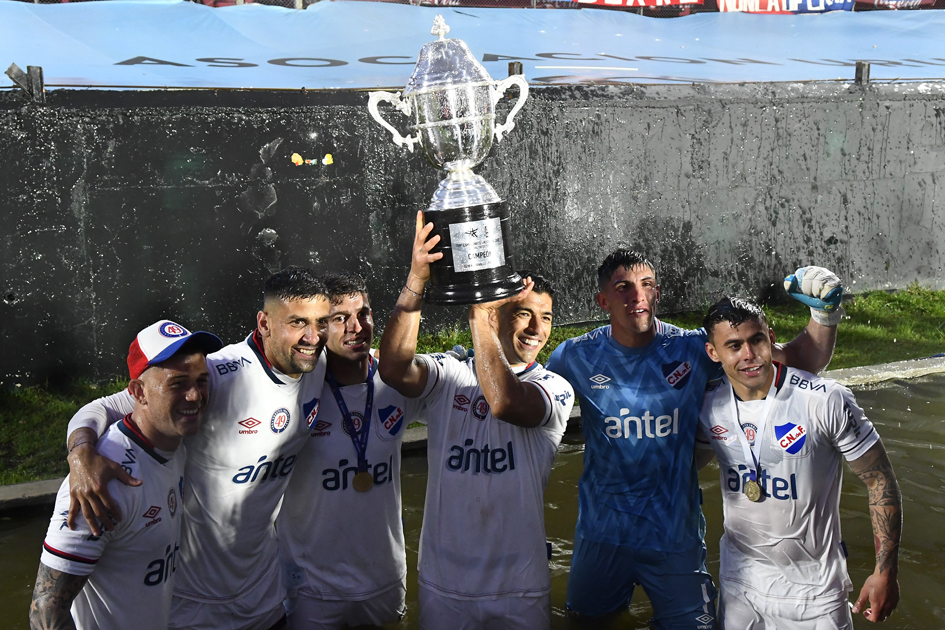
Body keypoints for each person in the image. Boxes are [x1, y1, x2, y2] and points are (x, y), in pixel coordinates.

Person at [546, 250, 843, 629]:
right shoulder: (574, 356)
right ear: (603, 300)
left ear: (657, 294)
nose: (637, 296)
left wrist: (825, 316)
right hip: (602, 535)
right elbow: (530, 402)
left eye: (646, 285)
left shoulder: (691, 349)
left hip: (675, 537)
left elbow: (798, 360)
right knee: (583, 624)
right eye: (623, 288)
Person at [63, 267, 329, 630]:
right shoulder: (213, 375)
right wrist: (80, 453)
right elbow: (104, 407)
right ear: (264, 323)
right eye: (298, 322)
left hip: (265, 594)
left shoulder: (318, 363)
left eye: (321, 322)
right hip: (192, 606)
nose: (312, 336)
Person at [378, 213, 575, 630]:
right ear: (501, 315)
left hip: (519, 587)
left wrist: (479, 317)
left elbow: (504, 401)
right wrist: (416, 281)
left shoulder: (555, 387)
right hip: (444, 584)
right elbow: (394, 369)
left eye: (548, 317)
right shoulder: (450, 373)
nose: (538, 329)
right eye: (523, 313)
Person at [696, 296, 901, 628]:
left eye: (756, 340)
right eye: (734, 346)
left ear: (771, 338)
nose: (749, 355)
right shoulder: (708, 405)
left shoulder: (825, 399)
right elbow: (682, 467)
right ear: (713, 353)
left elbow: (879, 479)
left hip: (816, 596)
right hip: (741, 590)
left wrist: (885, 571)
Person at [30, 320, 222, 630]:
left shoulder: (172, 442)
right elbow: (45, 613)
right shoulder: (100, 483)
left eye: (201, 381)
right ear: (138, 392)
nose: (195, 396)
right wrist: (80, 451)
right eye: (177, 384)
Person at [277, 272, 419, 629]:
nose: (357, 327)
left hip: (385, 581)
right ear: (321, 327)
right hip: (314, 590)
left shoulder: (397, 380)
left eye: (364, 314)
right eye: (341, 318)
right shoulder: (294, 387)